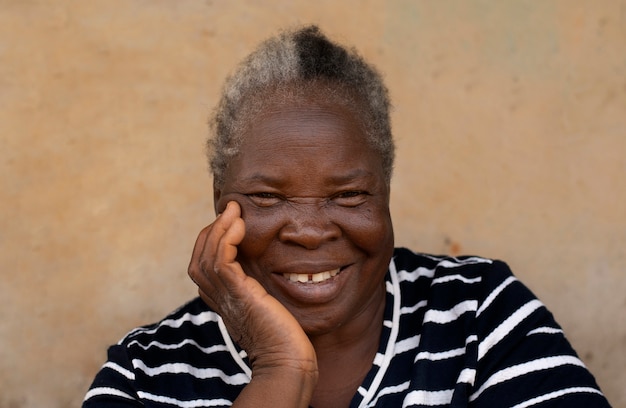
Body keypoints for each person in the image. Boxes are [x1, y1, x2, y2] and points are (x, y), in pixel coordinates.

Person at [83, 26, 611, 408]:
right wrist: (280, 369)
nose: (310, 231)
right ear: (221, 203)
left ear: (385, 193)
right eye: (268, 198)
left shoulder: (479, 313)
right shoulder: (146, 372)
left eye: (350, 195)